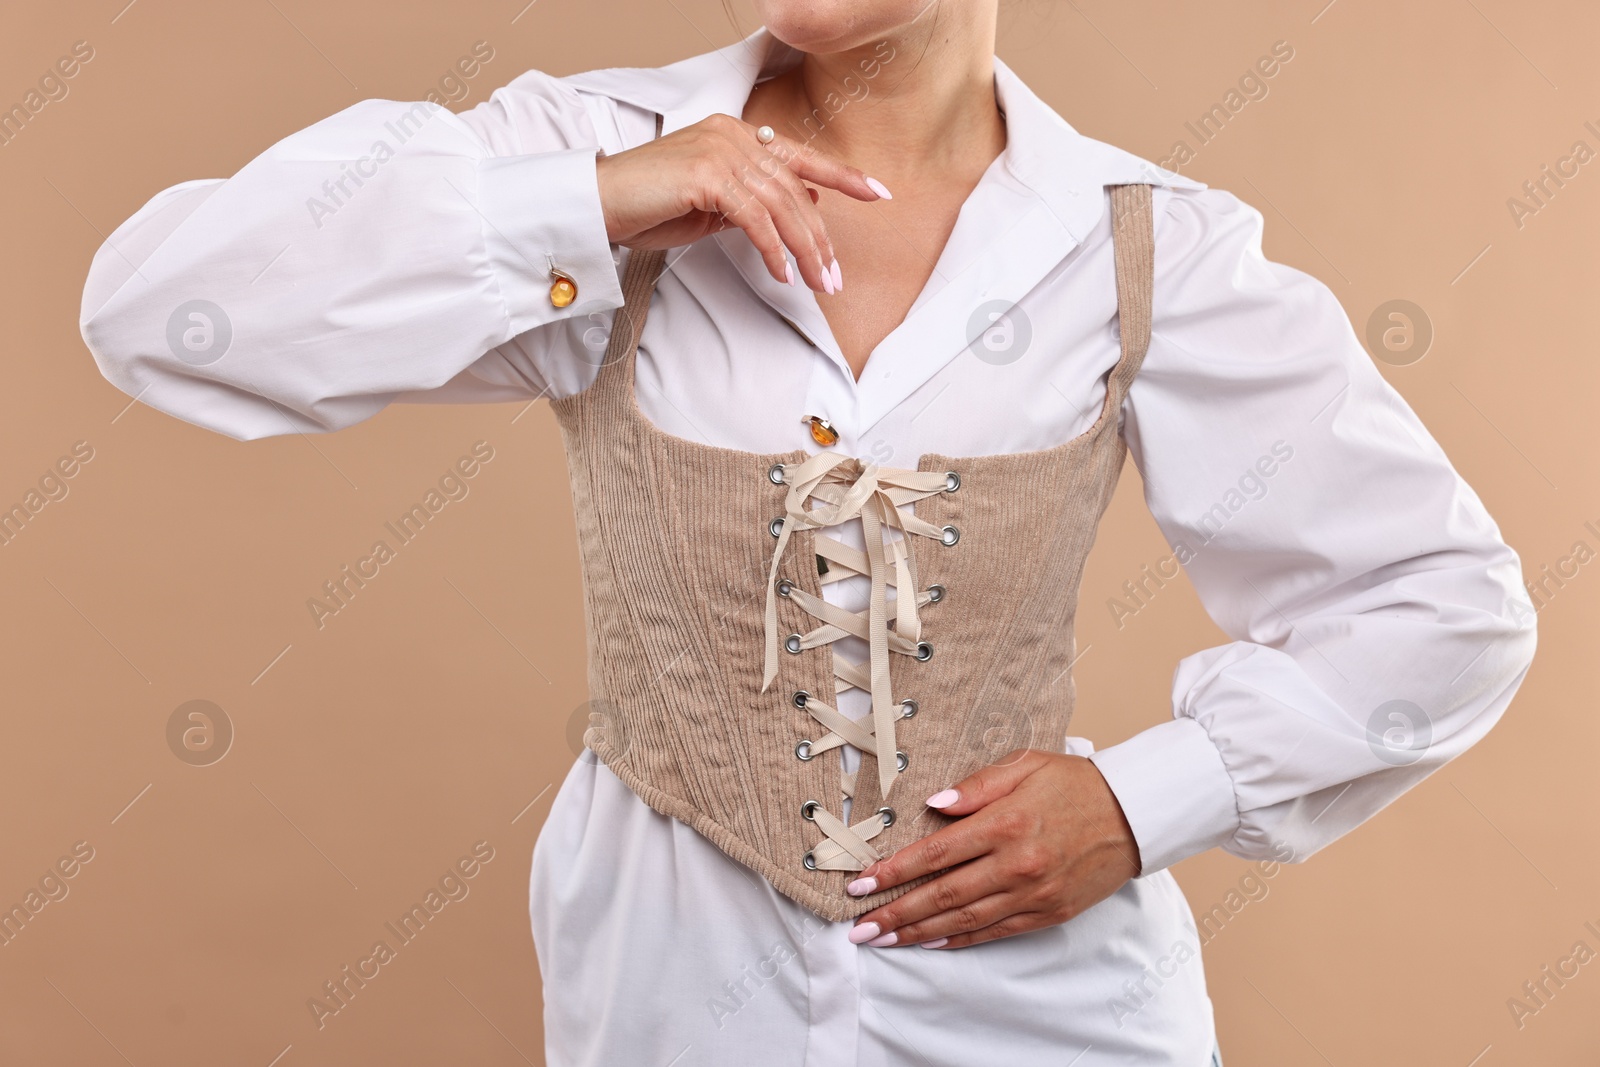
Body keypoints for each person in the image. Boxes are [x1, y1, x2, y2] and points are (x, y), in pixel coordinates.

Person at [78, 4, 1536, 1065]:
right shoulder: (584, 154)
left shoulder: (1144, 242)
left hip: (1060, 1011)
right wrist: (589, 205)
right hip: (669, 990)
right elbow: (161, 311)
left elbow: (1441, 602)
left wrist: (1154, 798)